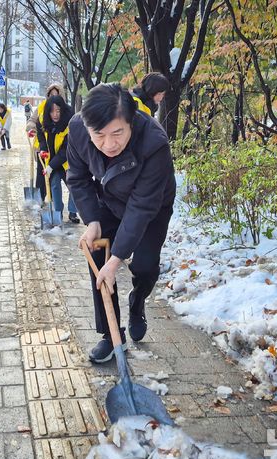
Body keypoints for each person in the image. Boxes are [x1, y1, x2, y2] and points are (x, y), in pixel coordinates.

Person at [66, 83, 176, 363]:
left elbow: (141, 207)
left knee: (144, 265)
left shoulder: (154, 143)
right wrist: (91, 220)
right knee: (96, 252)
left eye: (118, 133)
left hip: (152, 205)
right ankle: (111, 335)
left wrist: (116, 260)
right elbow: (78, 179)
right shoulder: (78, 130)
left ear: (131, 122)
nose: (109, 144)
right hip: (109, 199)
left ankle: (137, 301)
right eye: (99, 135)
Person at [36, 96, 79, 224]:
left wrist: (50, 166)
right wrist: (43, 149)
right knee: (54, 184)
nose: (55, 114)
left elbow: (66, 150)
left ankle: (72, 211)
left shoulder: (70, 123)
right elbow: (41, 136)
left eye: (58, 111)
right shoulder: (43, 119)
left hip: (68, 160)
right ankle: (58, 212)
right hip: (52, 159)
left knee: (73, 185)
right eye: (52, 111)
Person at [27, 83, 65, 201]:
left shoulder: (62, 109)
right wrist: (32, 128)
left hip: (56, 148)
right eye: (51, 94)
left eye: (55, 94)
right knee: (41, 173)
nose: (53, 96)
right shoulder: (42, 106)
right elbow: (33, 121)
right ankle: (39, 198)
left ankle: (52, 198)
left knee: (52, 174)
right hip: (41, 145)